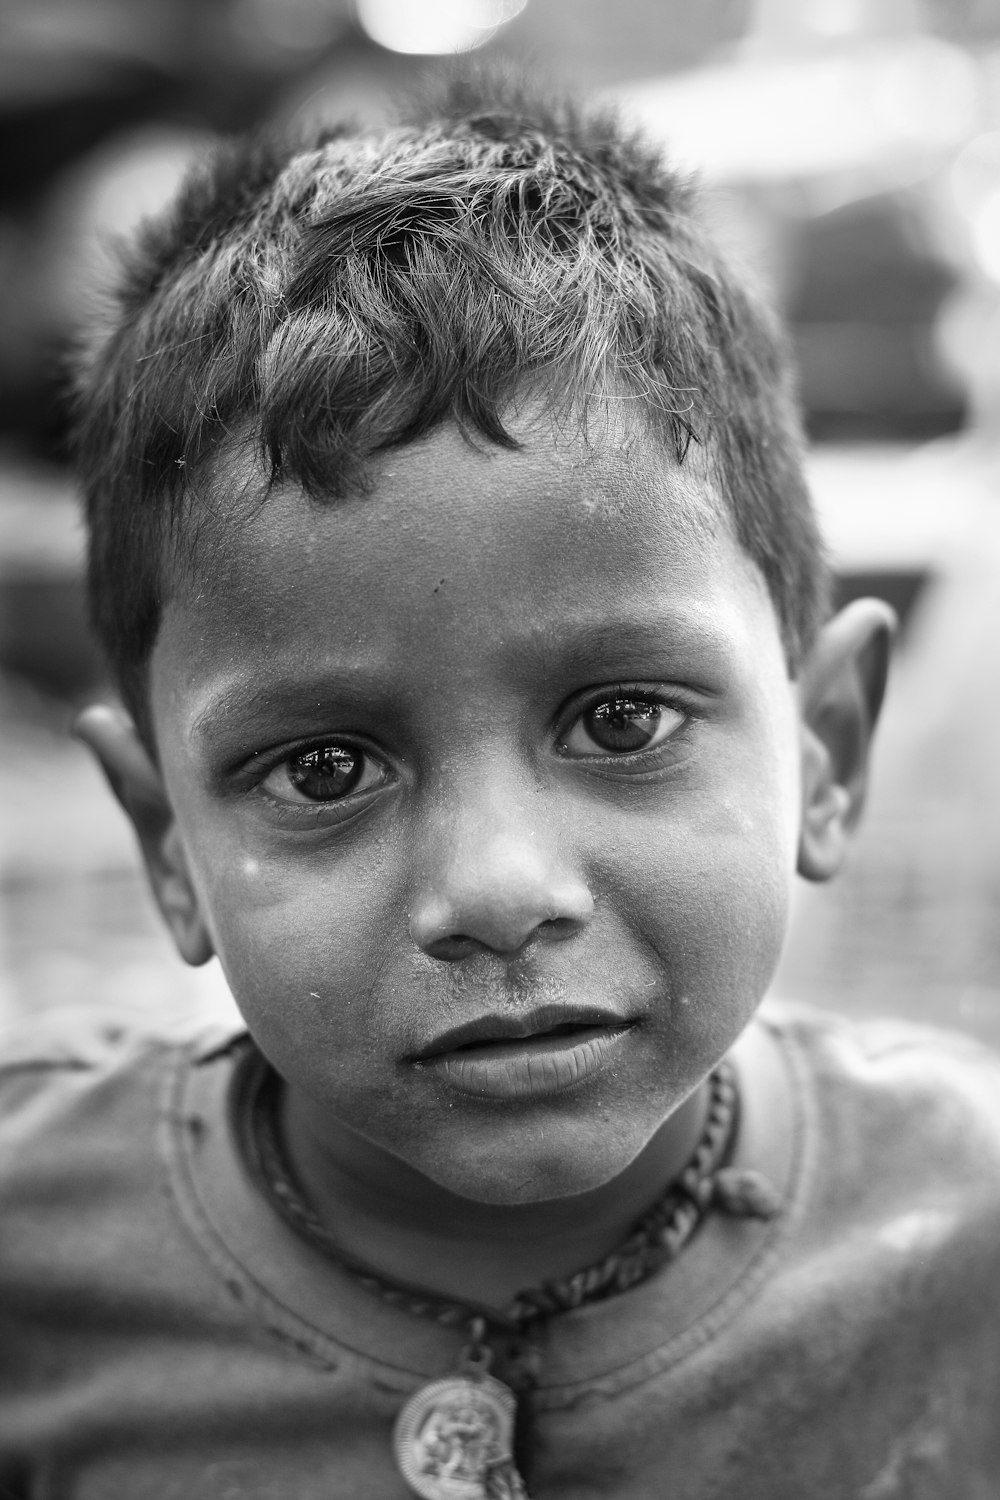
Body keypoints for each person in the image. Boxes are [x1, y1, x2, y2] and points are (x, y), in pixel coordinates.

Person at [3, 69, 1000, 1499]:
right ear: (168, 839)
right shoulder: (34, 1253)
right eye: (325, 766)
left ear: (829, 749)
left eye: (622, 720)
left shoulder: (968, 1231)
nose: (496, 890)